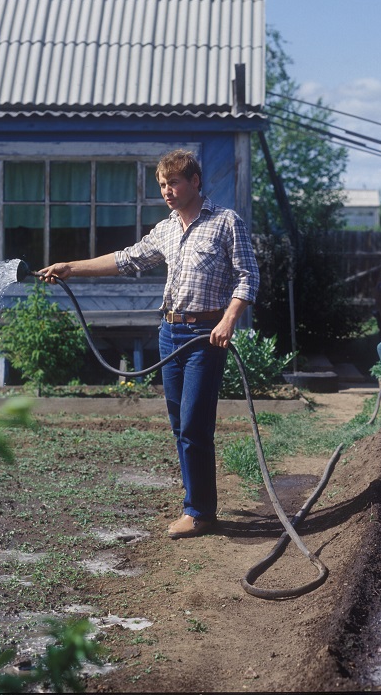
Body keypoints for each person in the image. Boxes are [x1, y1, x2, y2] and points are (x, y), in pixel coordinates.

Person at [39, 149, 260, 538]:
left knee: (194, 424)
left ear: (194, 181)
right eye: (161, 185)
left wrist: (229, 319)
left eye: (173, 183)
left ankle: (198, 512)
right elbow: (126, 259)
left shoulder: (226, 222)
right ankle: (198, 506)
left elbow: (248, 276)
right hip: (170, 333)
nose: (167, 191)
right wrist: (71, 267)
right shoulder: (167, 229)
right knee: (180, 425)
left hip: (204, 335)